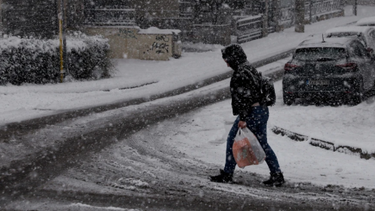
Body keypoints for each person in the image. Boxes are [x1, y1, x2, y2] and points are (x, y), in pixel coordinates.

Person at [210, 44, 285, 187]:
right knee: (262, 144)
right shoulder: (249, 68)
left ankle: (227, 174)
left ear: (233, 58)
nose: (226, 64)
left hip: (251, 112)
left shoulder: (241, 73)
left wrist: (243, 118)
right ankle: (277, 174)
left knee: (233, 140)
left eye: (227, 60)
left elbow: (245, 97)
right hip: (261, 111)